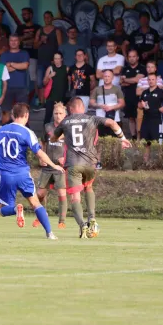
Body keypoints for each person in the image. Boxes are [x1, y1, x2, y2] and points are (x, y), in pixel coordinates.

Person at [0, 102, 63, 240]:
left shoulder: (1, 130)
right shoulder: (27, 132)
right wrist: (53, 165)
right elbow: (39, 153)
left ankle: (15, 209)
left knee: (2, 209)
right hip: (22, 174)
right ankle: (50, 233)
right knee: (35, 203)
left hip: (6, 175)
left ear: (13, 115)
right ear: (26, 115)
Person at [50, 97, 132, 238]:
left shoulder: (65, 122)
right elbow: (112, 122)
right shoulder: (92, 119)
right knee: (89, 188)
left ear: (70, 109)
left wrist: (60, 138)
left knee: (75, 198)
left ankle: (82, 226)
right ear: (83, 108)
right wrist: (122, 138)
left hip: (73, 164)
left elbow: (53, 138)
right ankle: (92, 218)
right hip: (90, 164)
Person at [32, 102, 68, 230]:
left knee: (61, 193)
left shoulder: (68, 129)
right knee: (40, 193)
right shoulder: (47, 127)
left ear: (65, 115)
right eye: (56, 113)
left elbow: (73, 147)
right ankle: (41, 216)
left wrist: (66, 157)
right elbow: (42, 144)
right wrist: (41, 158)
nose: (58, 116)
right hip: (47, 166)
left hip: (60, 167)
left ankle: (62, 221)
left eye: (60, 113)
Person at [90, 69, 125, 169]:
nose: (106, 78)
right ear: (102, 77)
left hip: (114, 119)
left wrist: (111, 107)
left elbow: (122, 103)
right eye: (105, 76)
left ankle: (115, 161)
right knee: (99, 141)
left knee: (115, 140)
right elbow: (91, 103)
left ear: (112, 77)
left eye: (109, 76)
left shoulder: (117, 89)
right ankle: (98, 162)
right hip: (100, 118)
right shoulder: (97, 89)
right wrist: (100, 105)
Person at [139, 73, 163, 161]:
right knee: (146, 142)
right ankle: (145, 162)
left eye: (153, 79)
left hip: (157, 120)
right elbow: (140, 105)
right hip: (146, 120)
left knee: (159, 142)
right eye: (149, 80)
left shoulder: (161, 92)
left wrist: (162, 109)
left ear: (156, 81)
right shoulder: (144, 92)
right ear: (147, 81)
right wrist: (141, 105)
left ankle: (160, 162)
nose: (151, 81)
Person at [34, 11, 63, 110]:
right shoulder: (40, 31)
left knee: (54, 81)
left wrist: (56, 60)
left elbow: (60, 46)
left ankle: (52, 102)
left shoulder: (57, 31)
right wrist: (41, 41)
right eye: (45, 17)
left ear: (52, 18)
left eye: (48, 17)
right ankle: (42, 103)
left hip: (53, 61)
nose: (47, 19)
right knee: (40, 82)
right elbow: (35, 46)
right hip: (41, 61)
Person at [1, 34, 30, 125]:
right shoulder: (4, 55)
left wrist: (11, 64)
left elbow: (25, 66)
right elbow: (3, 69)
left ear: (19, 42)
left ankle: (24, 132)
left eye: (15, 40)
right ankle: (5, 131)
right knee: (5, 112)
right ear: (9, 42)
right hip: (7, 87)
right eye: (11, 40)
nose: (13, 42)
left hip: (21, 87)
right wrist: (18, 66)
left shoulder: (24, 53)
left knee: (23, 112)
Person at [120, 49, 146, 139]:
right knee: (130, 118)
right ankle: (133, 137)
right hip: (128, 96)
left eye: (133, 56)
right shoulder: (125, 69)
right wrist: (132, 80)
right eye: (129, 57)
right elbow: (121, 83)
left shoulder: (142, 68)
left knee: (138, 117)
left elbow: (137, 80)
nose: (131, 58)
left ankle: (139, 137)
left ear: (137, 57)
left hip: (139, 97)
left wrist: (127, 80)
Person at [15, 7, 40, 88]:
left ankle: (36, 98)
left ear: (31, 15)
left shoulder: (37, 27)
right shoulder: (20, 28)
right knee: (22, 77)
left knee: (34, 77)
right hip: (22, 57)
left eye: (26, 14)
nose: (24, 16)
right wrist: (27, 37)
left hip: (33, 56)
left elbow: (37, 41)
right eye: (23, 14)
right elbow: (16, 40)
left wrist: (23, 40)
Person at [42, 52, 68, 125]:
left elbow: (70, 81)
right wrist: (49, 76)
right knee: (48, 116)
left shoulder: (66, 68)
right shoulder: (50, 68)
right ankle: (46, 134)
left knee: (62, 117)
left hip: (62, 97)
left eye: (58, 58)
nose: (56, 60)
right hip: (51, 97)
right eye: (55, 58)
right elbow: (44, 82)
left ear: (61, 59)